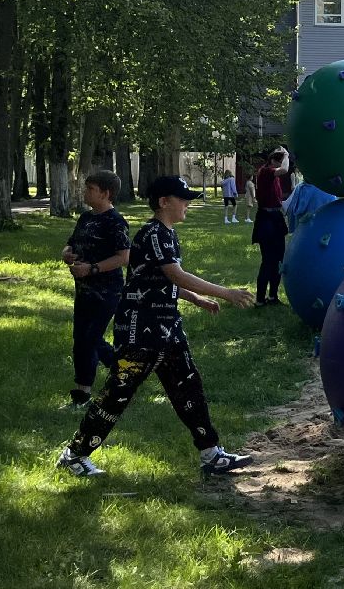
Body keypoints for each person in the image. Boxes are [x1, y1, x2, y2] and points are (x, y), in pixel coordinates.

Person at [55, 174, 255, 478]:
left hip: (166, 327)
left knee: (188, 386)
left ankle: (211, 454)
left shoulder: (166, 233)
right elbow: (175, 274)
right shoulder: (153, 233)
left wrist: (197, 299)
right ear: (164, 202)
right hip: (141, 330)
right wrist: (225, 292)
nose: (188, 204)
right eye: (183, 199)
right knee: (117, 393)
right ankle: (75, 455)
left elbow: (163, 278)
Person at [60, 170, 132, 409]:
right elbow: (72, 242)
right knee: (82, 338)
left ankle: (83, 393)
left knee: (87, 339)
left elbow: (123, 257)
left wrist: (91, 269)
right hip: (83, 291)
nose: (85, 192)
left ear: (106, 193)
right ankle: (122, 370)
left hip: (106, 292)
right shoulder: (85, 218)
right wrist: (66, 253)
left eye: (90, 189)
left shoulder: (115, 222)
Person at [252, 148, 291, 305]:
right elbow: (284, 170)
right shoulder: (266, 172)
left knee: (279, 259)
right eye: (281, 161)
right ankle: (260, 299)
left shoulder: (271, 175)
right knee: (268, 260)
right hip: (266, 220)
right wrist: (287, 154)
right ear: (274, 161)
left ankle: (273, 296)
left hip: (275, 218)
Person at [241, 156, 259, 223]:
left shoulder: (247, 182)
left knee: (249, 207)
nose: (252, 177)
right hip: (250, 196)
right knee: (249, 207)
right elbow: (252, 191)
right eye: (252, 176)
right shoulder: (250, 183)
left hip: (247, 195)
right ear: (250, 177)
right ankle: (247, 218)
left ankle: (248, 218)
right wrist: (254, 197)